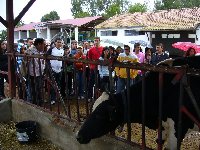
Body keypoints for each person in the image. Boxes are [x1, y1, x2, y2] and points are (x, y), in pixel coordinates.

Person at [26, 38, 46, 105]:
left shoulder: (41, 51)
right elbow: (25, 60)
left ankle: (39, 102)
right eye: (43, 44)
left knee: (39, 88)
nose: (44, 46)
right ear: (39, 44)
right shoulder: (30, 51)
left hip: (40, 73)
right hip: (33, 74)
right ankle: (34, 103)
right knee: (33, 90)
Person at [46, 38, 64, 105]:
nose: (59, 44)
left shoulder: (62, 50)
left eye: (60, 42)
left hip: (59, 70)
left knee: (58, 84)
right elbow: (46, 57)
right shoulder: (51, 49)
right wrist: (49, 67)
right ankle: (52, 99)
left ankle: (57, 98)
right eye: (58, 42)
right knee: (52, 85)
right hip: (53, 70)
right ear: (55, 43)